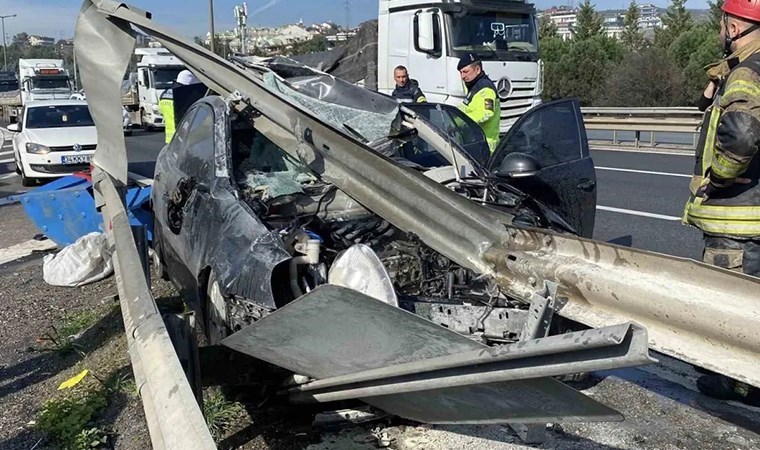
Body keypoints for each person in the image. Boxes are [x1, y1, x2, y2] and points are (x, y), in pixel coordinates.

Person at [683, 0, 760, 406]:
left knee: (729, 303)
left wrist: (720, 176)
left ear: (732, 26)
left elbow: (742, 135)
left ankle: (734, 382)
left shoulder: (747, 72)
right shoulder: (744, 68)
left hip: (738, 221)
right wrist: (714, 83)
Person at [456, 53, 500, 153]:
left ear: (477, 70)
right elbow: (465, 110)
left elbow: (485, 113)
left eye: (466, 72)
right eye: (461, 72)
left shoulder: (486, 89)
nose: (463, 76)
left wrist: (461, 123)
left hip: (485, 147)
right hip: (474, 144)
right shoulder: (475, 87)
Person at [158, 69, 201, 144]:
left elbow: (161, 111)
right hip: (182, 137)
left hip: (170, 137)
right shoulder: (185, 96)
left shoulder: (164, 94)